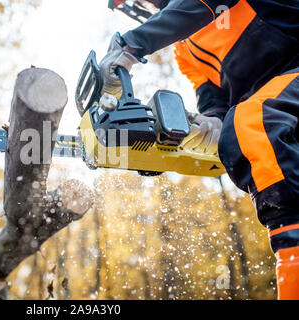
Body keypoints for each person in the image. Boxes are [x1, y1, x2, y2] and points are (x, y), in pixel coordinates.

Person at [99, 0, 299, 299]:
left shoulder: (194, 11)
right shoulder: (186, 51)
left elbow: (199, 4)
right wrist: (208, 123)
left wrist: (133, 43)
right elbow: (214, 100)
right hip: (283, 110)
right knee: (243, 130)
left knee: (252, 125)